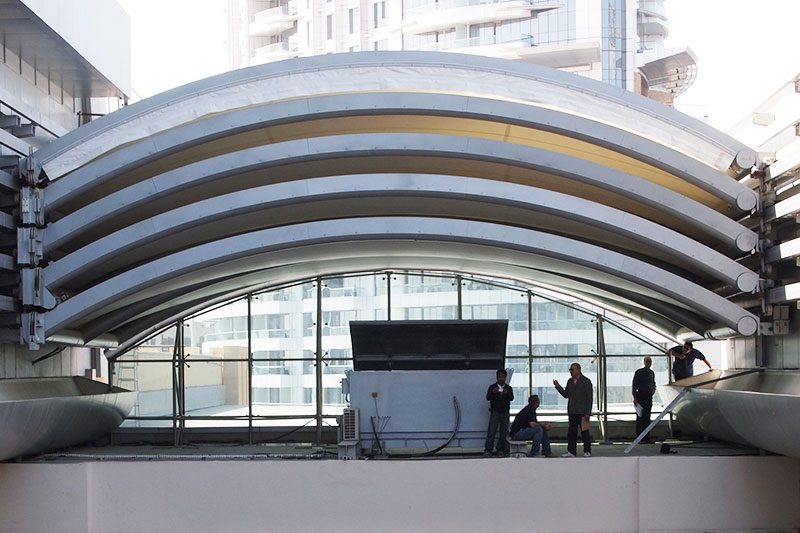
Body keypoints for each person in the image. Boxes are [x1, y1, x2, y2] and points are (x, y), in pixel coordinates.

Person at [553, 362, 593, 457]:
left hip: (583, 412)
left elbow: (589, 398)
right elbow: (566, 394)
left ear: (578, 370)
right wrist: (558, 386)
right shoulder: (570, 381)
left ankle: (587, 450)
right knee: (571, 433)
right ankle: (571, 451)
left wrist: (588, 412)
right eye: (570, 370)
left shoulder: (586, 382)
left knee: (585, 432)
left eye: (572, 369)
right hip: (572, 412)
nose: (570, 372)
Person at [484, 369, 513, 457]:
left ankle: (500, 449)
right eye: (500, 377)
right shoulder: (492, 387)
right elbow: (488, 397)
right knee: (491, 431)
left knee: (503, 432)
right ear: (497, 377)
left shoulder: (508, 388)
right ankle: (488, 450)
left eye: (503, 377)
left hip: (505, 413)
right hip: (495, 412)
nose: (501, 379)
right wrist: (493, 392)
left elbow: (511, 398)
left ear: (505, 378)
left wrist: (507, 393)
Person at [631, 356, 656, 443]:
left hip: (648, 396)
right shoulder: (639, 372)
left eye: (650, 361)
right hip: (640, 396)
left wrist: (653, 390)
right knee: (640, 417)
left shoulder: (651, 373)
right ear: (644, 362)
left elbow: (653, 383)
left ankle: (646, 437)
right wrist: (635, 397)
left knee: (647, 417)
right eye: (647, 361)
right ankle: (640, 437)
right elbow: (634, 385)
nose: (649, 363)